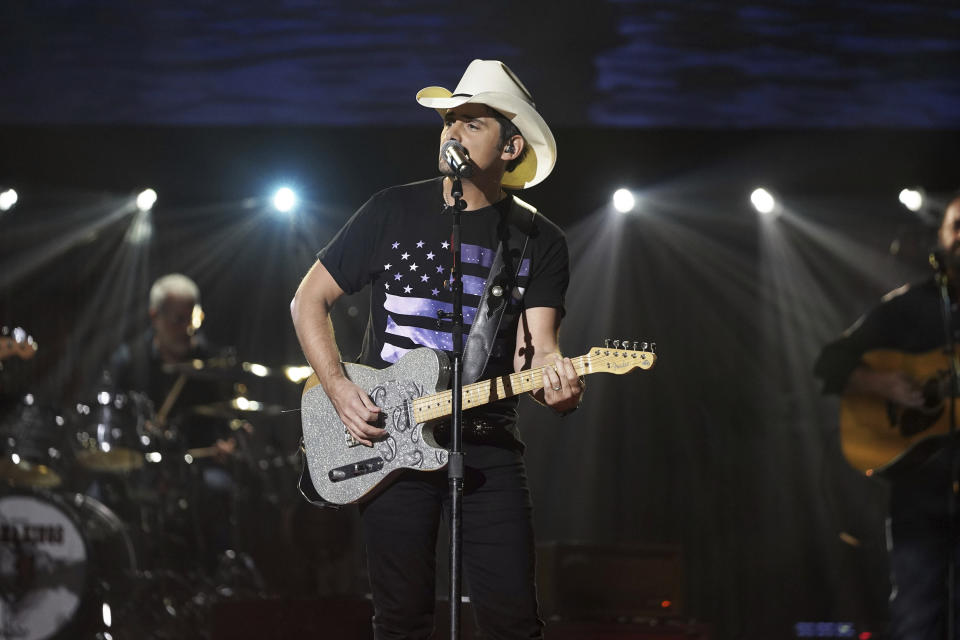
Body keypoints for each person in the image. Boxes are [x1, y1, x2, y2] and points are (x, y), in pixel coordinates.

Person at [290, 59, 583, 638]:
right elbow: (307, 301)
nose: (452, 131)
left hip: (488, 444)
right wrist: (341, 388)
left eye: (472, 123)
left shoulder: (538, 241)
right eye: (449, 120)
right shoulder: (391, 209)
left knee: (514, 622)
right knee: (400, 619)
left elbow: (540, 351)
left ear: (510, 146)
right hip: (392, 440)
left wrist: (560, 383)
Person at [814, 194, 960, 640]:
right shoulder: (911, 304)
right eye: (958, 226)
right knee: (917, 616)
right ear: (941, 237)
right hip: (921, 489)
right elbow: (831, 362)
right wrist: (884, 385)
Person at [105, 273, 238, 570]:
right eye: (178, 320)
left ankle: (217, 581)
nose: (187, 329)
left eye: (193, 319)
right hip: (140, 469)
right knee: (99, 499)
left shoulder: (210, 362)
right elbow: (112, 423)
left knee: (220, 491)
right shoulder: (128, 362)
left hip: (198, 469)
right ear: (155, 316)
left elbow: (231, 419)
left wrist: (229, 442)